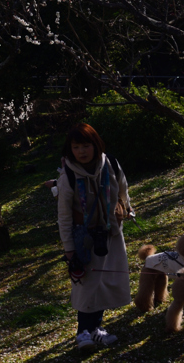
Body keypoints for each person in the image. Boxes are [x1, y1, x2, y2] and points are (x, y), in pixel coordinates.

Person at [56, 123, 134, 352]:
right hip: (83, 236)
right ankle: (83, 332)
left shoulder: (110, 164)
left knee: (104, 280)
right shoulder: (68, 175)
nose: (81, 151)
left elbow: (123, 189)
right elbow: (64, 216)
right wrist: (69, 250)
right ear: (70, 149)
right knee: (86, 284)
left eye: (86, 145)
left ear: (95, 144)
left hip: (110, 232)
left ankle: (96, 329)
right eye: (76, 146)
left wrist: (126, 210)